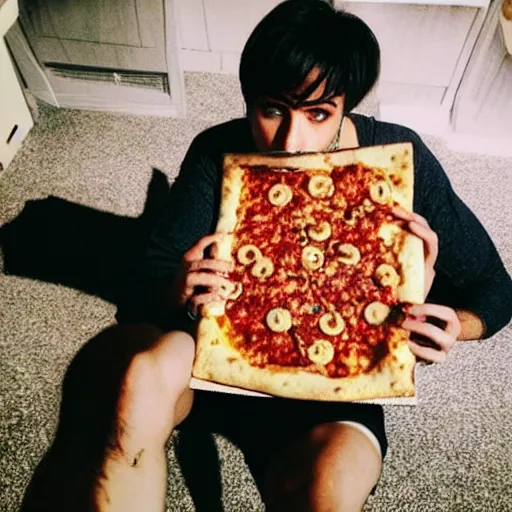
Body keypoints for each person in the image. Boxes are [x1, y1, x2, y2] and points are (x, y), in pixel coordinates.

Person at [21, 1, 512, 511]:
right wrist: (178, 286)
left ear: (347, 106)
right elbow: (146, 280)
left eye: (319, 114)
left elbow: (499, 291)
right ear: (248, 100)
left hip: (335, 385)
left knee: (328, 496)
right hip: (219, 356)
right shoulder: (218, 149)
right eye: (272, 109)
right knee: (127, 389)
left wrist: (454, 322)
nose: (290, 141)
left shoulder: (400, 160)